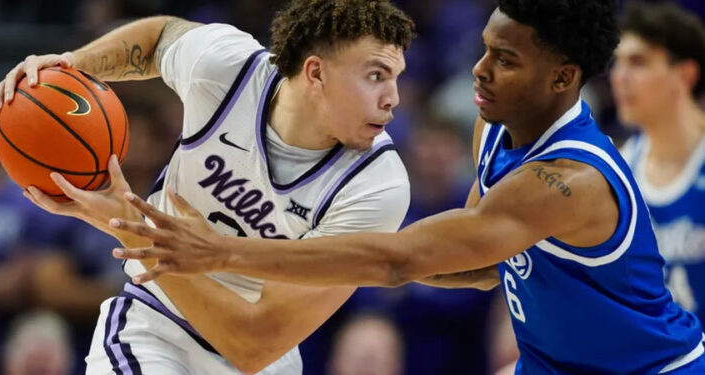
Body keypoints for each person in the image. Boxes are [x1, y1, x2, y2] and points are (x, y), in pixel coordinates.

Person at [111, 1, 705, 373]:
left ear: (562, 78)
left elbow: (400, 260)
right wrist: (333, 264)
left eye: (505, 59)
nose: (479, 69)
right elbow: (478, 268)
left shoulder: (568, 180)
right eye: (484, 50)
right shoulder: (498, 127)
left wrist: (223, 251)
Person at [0, 0, 415, 374]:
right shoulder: (228, 67)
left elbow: (255, 345)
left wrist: (132, 227)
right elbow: (160, 39)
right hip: (153, 323)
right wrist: (72, 68)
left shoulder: (376, 185)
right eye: (376, 76)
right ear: (315, 73)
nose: (393, 97)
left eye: (395, 77)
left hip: (263, 359)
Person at [611, 2, 705, 327]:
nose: (619, 77)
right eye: (617, 63)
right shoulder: (619, 167)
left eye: (638, 62)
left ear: (685, 75)